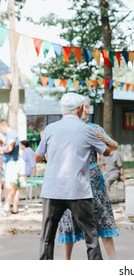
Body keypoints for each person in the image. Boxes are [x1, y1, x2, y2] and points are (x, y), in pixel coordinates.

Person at [35, 92, 111, 260]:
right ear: (79, 110)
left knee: (47, 236)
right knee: (91, 236)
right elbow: (106, 151)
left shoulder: (50, 129)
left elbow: (37, 157)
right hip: (78, 191)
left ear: (63, 110)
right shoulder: (87, 130)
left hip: (52, 190)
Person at [57, 98, 120, 260]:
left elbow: (114, 146)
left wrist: (104, 139)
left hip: (93, 178)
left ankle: (114, 261)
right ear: (77, 109)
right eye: (83, 107)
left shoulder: (94, 128)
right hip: (71, 179)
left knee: (102, 217)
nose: (86, 110)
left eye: (88, 107)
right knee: (69, 219)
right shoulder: (64, 129)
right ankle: (66, 261)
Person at [0, 120, 20, 214]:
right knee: (12, 185)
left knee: (12, 185)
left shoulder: (11, 134)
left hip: (11, 162)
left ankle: (7, 204)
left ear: (2, 126)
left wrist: (1, 150)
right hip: (10, 162)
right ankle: (14, 208)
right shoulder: (10, 134)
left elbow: (9, 147)